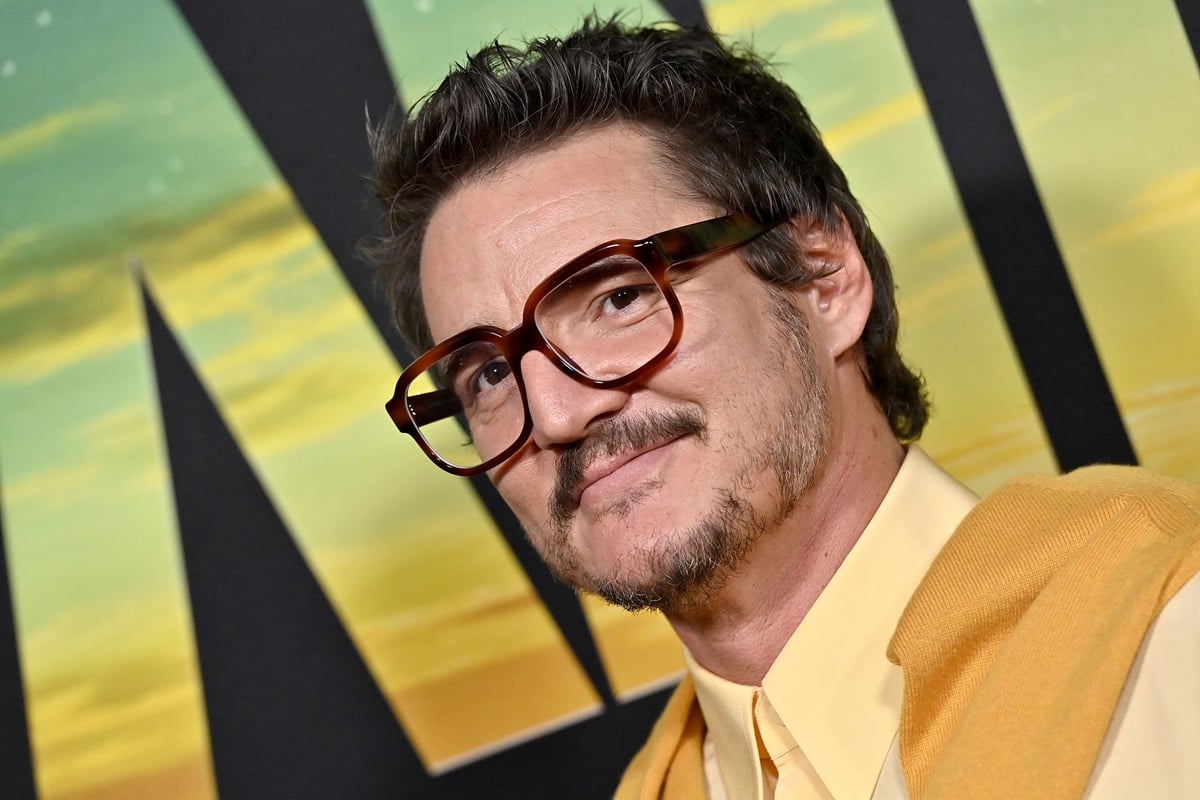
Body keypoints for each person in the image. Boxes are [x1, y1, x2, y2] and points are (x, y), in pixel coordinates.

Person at [365, 16, 1200, 800]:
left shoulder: (1166, 634)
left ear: (824, 277)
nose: (554, 413)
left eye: (620, 297)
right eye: (488, 376)